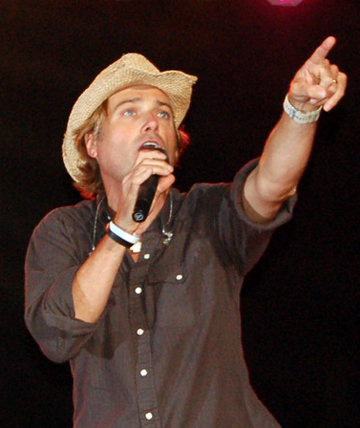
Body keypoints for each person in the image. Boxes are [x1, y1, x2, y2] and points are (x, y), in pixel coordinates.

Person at [25, 37, 346, 428]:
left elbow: (272, 185)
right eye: (130, 111)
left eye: (163, 115)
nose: (152, 122)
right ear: (93, 143)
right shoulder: (63, 231)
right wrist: (122, 229)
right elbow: (58, 332)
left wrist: (301, 110)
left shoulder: (208, 212)